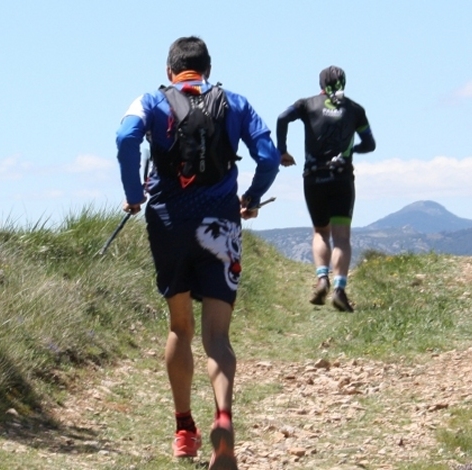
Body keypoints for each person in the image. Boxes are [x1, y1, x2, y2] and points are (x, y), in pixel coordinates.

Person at [115, 36, 281, 469]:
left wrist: (133, 194)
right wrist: (252, 198)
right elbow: (268, 156)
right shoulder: (235, 103)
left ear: (169, 70)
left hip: (169, 224)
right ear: (208, 69)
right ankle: (223, 418)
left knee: (180, 327)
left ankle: (184, 430)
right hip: (220, 224)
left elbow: (126, 137)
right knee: (218, 337)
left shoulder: (150, 100)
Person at [276, 66, 375, 312]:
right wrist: (349, 151)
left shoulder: (306, 104)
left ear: (320, 83)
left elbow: (282, 118)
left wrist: (282, 151)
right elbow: (369, 144)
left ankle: (322, 279)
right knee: (341, 237)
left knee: (321, 232)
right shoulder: (355, 110)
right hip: (342, 178)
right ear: (344, 83)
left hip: (314, 177)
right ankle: (339, 290)